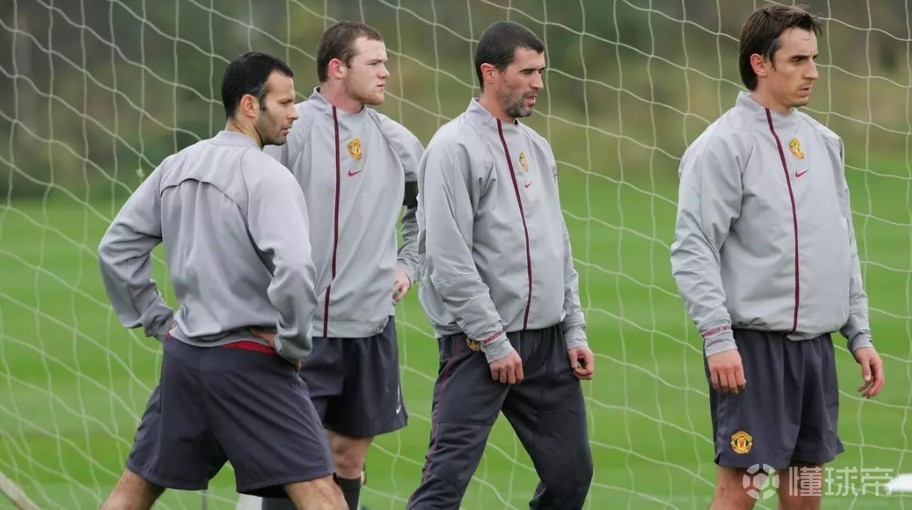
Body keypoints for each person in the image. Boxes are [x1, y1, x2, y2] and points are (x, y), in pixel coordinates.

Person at [97, 51, 346, 510]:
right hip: (250, 362)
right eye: (284, 102)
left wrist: (158, 321)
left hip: (185, 357)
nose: (295, 113)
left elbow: (115, 248)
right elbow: (295, 270)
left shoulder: (175, 166)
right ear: (250, 105)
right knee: (320, 491)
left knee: (137, 485)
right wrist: (292, 345)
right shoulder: (269, 177)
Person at [670, 5, 886, 509]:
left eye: (814, 59)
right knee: (741, 491)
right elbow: (694, 246)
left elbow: (842, 244)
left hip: (815, 351)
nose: (813, 72)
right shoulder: (721, 146)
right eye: (797, 60)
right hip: (752, 351)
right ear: (760, 64)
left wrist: (859, 333)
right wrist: (718, 339)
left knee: (805, 492)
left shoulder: (825, 143)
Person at [407, 20, 595, 510]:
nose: (538, 83)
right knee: (444, 485)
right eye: (527, 72)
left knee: (571, 477)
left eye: (541, 71)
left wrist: (573, 328)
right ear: (490, 73)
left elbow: (559, 246)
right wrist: (492, 340)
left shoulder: (537, 147)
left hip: (547, 347)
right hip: (477, 345)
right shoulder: (452, 147)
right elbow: (446, 257)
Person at [260, 21, 422, 510]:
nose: (386, 72)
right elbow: (247, 210)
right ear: (337, 68)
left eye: (385, 62)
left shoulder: (399, 143)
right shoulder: (292, 132)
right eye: (374, 63)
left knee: (349, 458)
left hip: (370, 327)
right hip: (300, 331)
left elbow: (429, 215)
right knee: (293, 464)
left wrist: (408, 265)